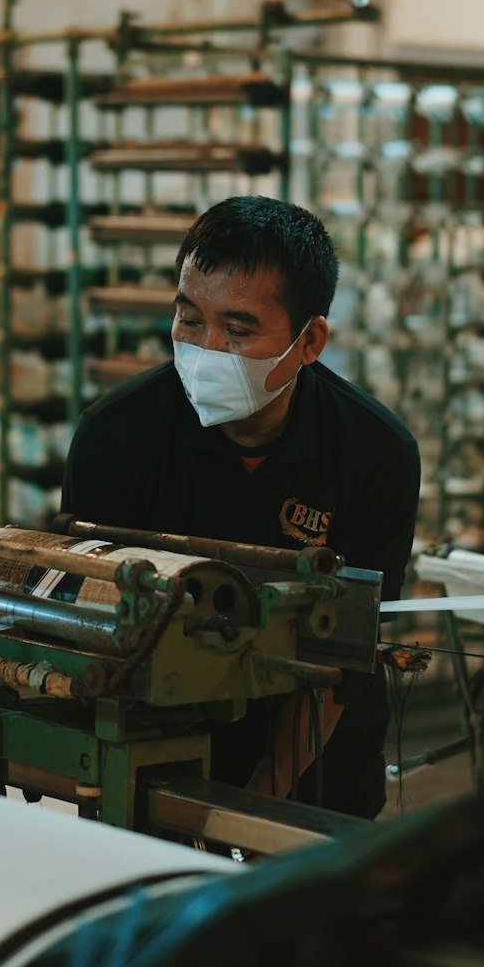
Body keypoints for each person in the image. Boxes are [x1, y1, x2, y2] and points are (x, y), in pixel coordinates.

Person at [61, 195, 420, 819]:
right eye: (189, 319)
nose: (205, 350)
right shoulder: (118, 435)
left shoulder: (373, 454)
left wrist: (247, 813)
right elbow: (89, 621)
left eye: (239, 329)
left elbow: (337, 658)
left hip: (317, 774)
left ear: (309, 341)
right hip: (152, 752)